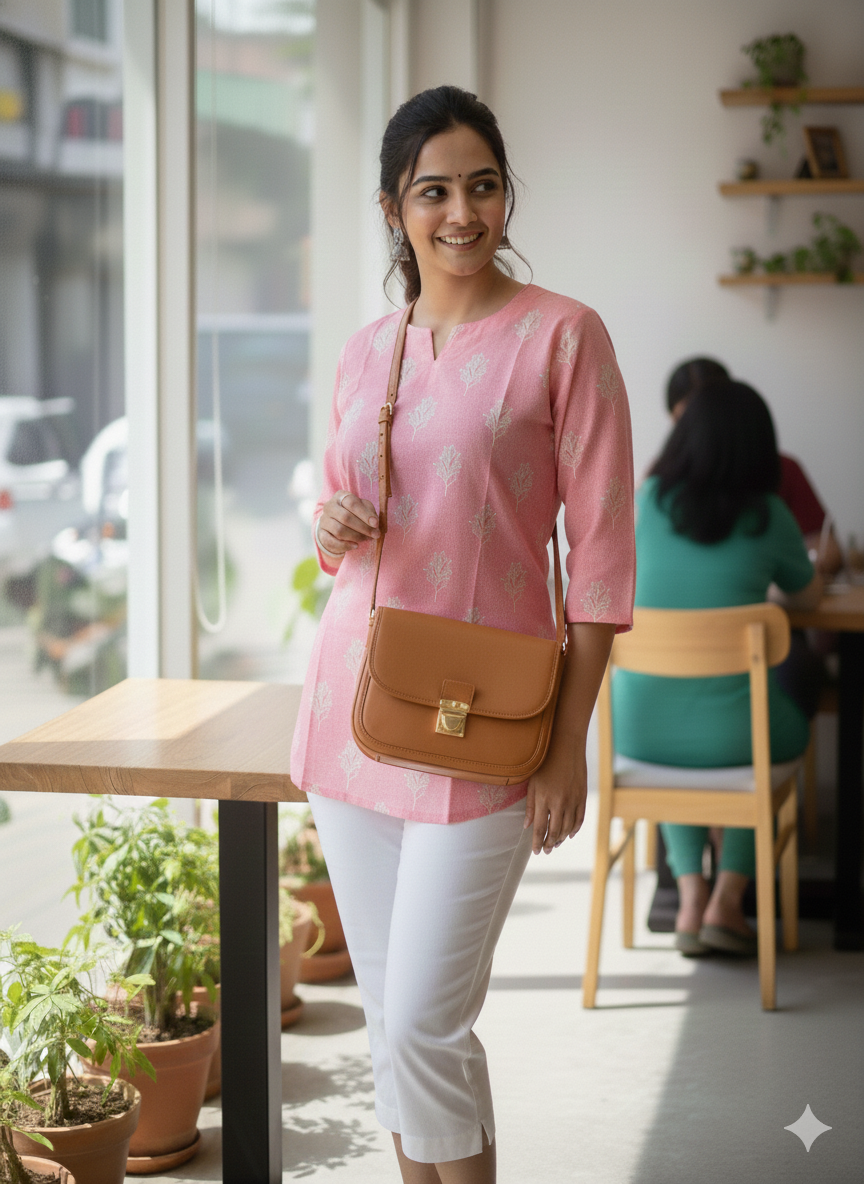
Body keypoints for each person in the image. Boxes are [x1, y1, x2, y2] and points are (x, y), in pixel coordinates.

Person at [290, 86, 635, 1182]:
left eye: (482, 185)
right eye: (433, 189)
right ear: (394, 209)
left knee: (422, 1025)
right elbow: (350, 528)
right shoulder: (367, 349)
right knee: (400, 1026)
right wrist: (327, 522)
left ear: (505, 195)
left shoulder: (565, 336)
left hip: (488, 723)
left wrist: (567, 738)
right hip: (357, 713)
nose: (462, 211)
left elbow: (605, 557)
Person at [614, 379, 822, 958]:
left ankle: (688, 898)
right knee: (779, 717)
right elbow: (807, 600)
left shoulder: (645, 502)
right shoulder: (770, 515)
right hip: (737, 739)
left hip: (638, 731)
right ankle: (728, 900)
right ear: (759, 447)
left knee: (679, 739)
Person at [664, 357, 843, 576]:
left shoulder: (781, 474)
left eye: (710, 414)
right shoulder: (660, 489)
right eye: (687, 420)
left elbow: (827, 550)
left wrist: (801, 568)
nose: (702, 428)